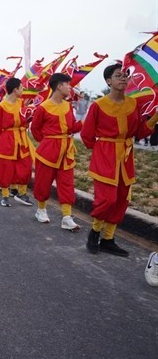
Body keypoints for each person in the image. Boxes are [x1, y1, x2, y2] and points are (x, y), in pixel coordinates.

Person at [81, 63, 158, 257]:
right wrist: (102, 150)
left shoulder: (133, 104)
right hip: (105, 156)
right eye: (118, 76)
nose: (123, 78)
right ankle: (95, 232)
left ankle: (108, 239)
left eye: (125, 75)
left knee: (123, 199)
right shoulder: (98, 106)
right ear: (108, 81)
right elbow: (87, 135)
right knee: (107, 199)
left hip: (126, 157)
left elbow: (139, 132)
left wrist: (154, 117)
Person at [30, 73, 82, 231]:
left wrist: (84, 123)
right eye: (68, 84)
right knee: (43, 182)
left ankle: (66, 217)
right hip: (48, 150)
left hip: (67, 150)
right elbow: (35, 129)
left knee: (67, 183)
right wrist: (47, 142)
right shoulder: (43, 107)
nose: (69, 87)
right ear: (59, 86)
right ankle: (41, 210)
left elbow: (72, 127)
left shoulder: (68, 106)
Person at [0, 77, 34, 207]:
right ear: (15, 89)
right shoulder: (1, 106)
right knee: (5, 167)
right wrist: (1, 142)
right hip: (7, 140)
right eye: (21, 87)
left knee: (25, 165)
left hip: (22, 139)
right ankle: (5, 195)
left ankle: (22, 193)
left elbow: (25, 119)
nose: (23, 89)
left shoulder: (22, 103)